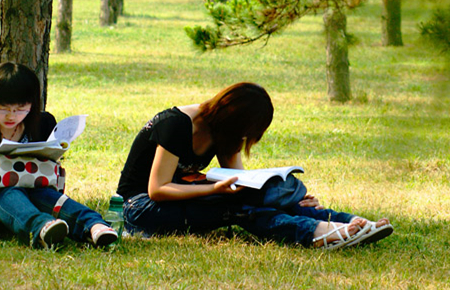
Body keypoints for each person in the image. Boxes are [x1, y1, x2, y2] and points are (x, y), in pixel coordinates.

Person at [116, 82, 393, 249]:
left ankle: (345, 222)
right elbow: (157, 189)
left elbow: (239, 183)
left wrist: (284, 199)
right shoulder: (176, 124)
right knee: (235, 208)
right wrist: (215, 191)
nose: (244, 140)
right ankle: (317, 234)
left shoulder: (223, 131)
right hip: (139, 208)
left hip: (182, 197)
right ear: (231, 119)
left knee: (247, 200)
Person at [0, 62, 118, 249]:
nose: (11, 116)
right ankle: (39, 226)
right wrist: (7, 215)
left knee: (38, 190)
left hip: (24, 202)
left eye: (20, 109)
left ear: (32, 104)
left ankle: (93, 225)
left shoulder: (42, 123)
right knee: (5, 185)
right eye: (2, 108)